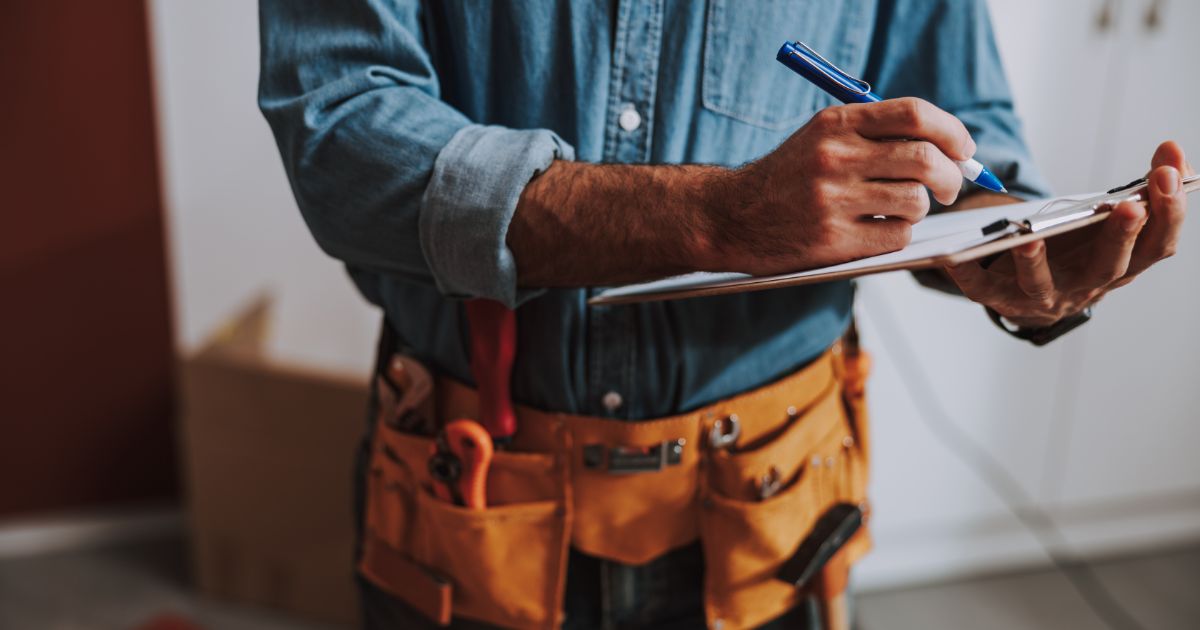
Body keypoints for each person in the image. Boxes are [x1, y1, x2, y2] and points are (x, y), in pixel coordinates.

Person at [258, 1, 1192, 628]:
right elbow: (339, 134)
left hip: (774, 517)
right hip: (469, 497)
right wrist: (718, 215)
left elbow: (960, 144)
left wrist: (1009, 248)